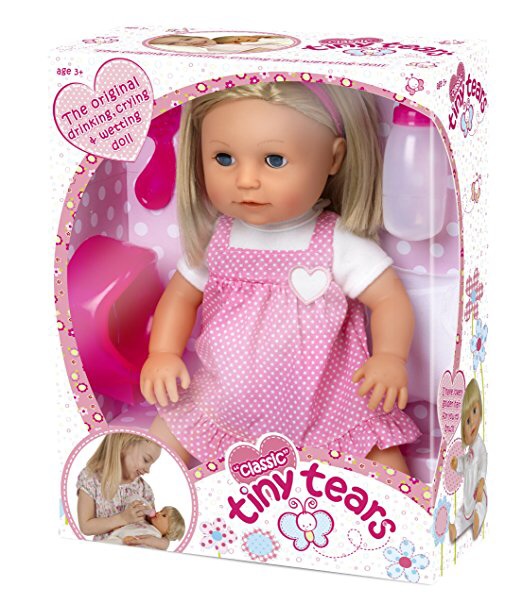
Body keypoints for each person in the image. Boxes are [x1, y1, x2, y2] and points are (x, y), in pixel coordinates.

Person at [140, 82, 421, 473]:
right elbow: (180, 297)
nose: (246, 180)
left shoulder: (337, 242)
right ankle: (146, 494)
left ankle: (400, 508)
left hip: (330, 403)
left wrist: (390, 357)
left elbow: (389, 299)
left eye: (273, 160)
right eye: (224, 158)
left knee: (379, 456)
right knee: (166, 432)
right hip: (226, 400)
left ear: (334, 158)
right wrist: (162, 353)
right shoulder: (216, 240)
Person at [77, 433, 166, 546]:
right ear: (124, 445)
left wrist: (164, 543)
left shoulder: (144, 489)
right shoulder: (91, 479)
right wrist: (123, 518)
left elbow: (156, 529)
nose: (148, 470)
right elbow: (86, 527)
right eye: (146, 460)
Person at [449, 379, 487, 541]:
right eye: (468, 421)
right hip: (468, 489)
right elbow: (466, 462)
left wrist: (481, 481)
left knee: (480, 504)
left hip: (477, 486)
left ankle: (478, 516)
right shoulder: (470, 449)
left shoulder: (479, 446)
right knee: (464, 511)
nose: (472, 424)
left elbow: (483, 462)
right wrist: (458, 463)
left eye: (475, 412)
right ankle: (456, 529)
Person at [105, 504, 185, 548]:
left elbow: (143, 541)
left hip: (125, 542)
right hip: (116, 536)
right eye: (161, 511)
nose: (158, 513)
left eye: (164, 515)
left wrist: (134, 539)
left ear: (169, 530)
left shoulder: (155, 536)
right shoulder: (146, 523)